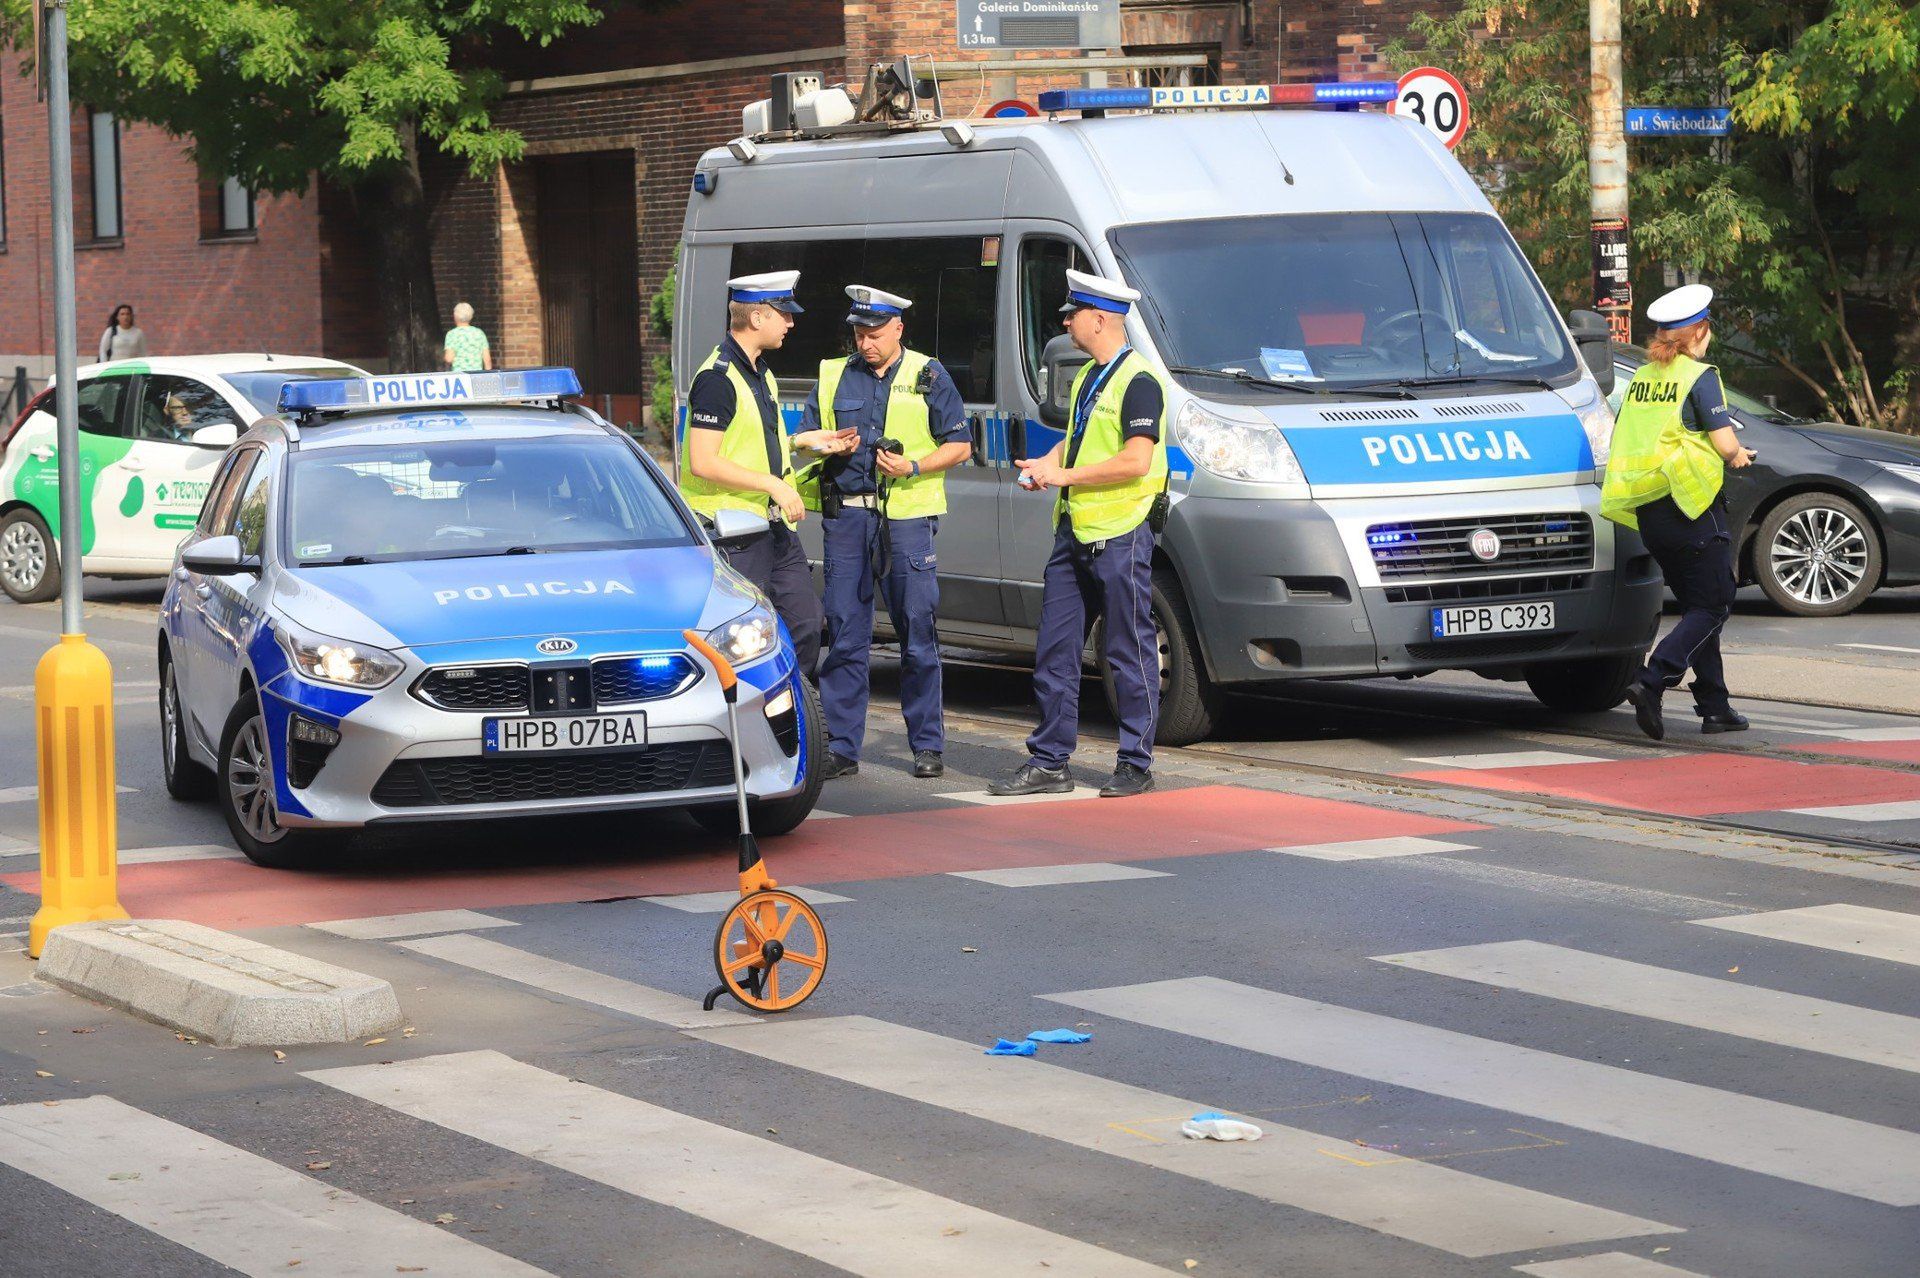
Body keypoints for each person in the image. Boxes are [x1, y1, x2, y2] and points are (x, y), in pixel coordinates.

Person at [989, 269, 1168, 799]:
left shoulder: (1139, 381)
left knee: (1127, 651)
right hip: (1074, 534)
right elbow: (1080, 438)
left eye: (1073, 314)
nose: (1065, 322)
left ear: (1100, 319)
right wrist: (1047, 462)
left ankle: (1135, 764)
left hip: (1120, 534)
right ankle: (1050, 761)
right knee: (1055, 650)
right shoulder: (1091, 375)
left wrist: (1064, 476)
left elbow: (1136, 461)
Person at [803, 285, 973, 781]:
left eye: (874, 333)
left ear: (899, 328)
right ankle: (841, 747)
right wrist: (826, 446)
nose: (865, 343)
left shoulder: (928, 373)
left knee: (917, 633)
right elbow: (806, 439)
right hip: (847, 518)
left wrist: (913, 466)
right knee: (845, 634)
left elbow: (960, 445)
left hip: (906, 520)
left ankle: (927, 745)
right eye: (859, 333)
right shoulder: (833, 374)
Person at [1601, 283, 1756, 740]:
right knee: (1715, 603)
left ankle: (1715, 706)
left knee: (1698, 606)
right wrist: (1738, 455)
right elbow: (1724, 443)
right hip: (1691, 507)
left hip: (1651, 512)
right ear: (1700, 332)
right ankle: (1652, 680)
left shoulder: (1643, 378)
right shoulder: (1699, 376)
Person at [678, 270, 850, 675]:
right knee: (743, 638)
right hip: (733, 535)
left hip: (772, 527)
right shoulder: (717, 379)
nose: (790, 323)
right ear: (757, 317)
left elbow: (748, 443)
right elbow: (703, 461)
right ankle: (751, 708)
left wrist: (802, 442)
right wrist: (773, 484)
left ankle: (789, 701)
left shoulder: (760, 372)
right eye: (783, 314)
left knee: (806, 622)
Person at [444, 302, 493, 373]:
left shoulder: (452, 334)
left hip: (459, 376)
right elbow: (487, 360)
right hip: (476, 374)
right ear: (471, 316)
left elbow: (449, 359)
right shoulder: (479, 333)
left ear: (455, 316)